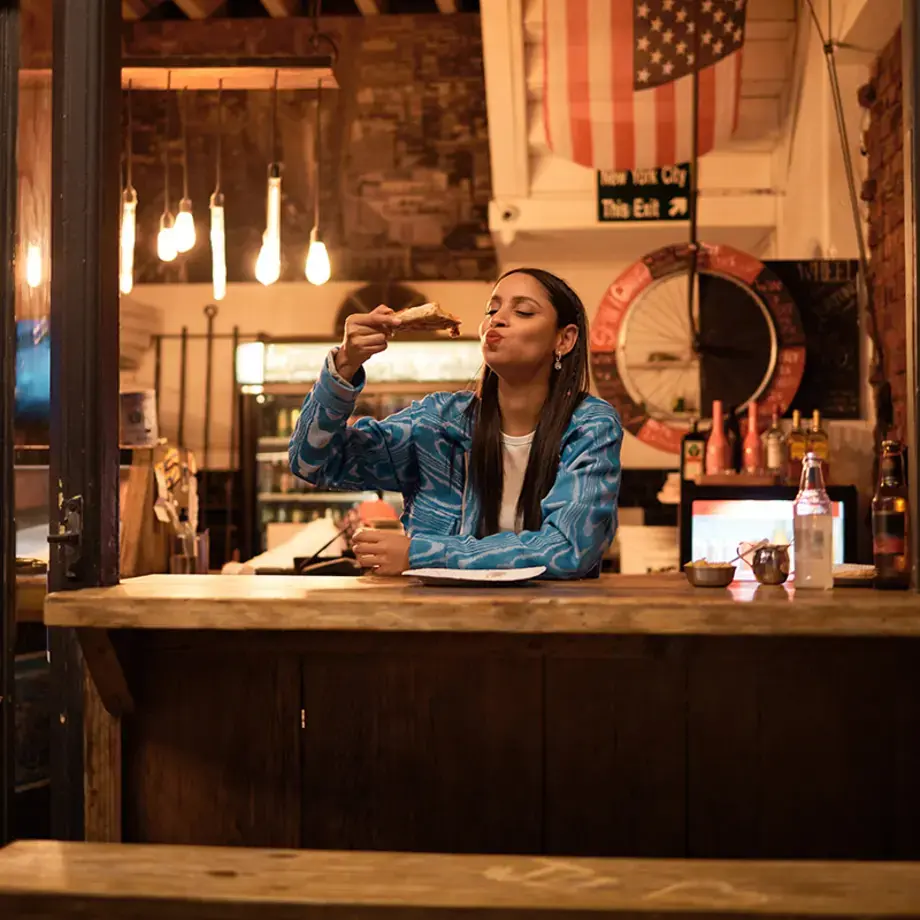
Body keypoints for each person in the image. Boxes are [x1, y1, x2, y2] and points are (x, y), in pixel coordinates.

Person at [289, 268, 622, 578]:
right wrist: (344, 365)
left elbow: (567, 548)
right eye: (492, 310)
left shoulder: (589, 426)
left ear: (564, 339)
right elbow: (314, 463)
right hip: (443, 625)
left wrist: (421, 553)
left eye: (523, 312)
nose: (498, 319)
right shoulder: (439, 423)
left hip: (551, 627)